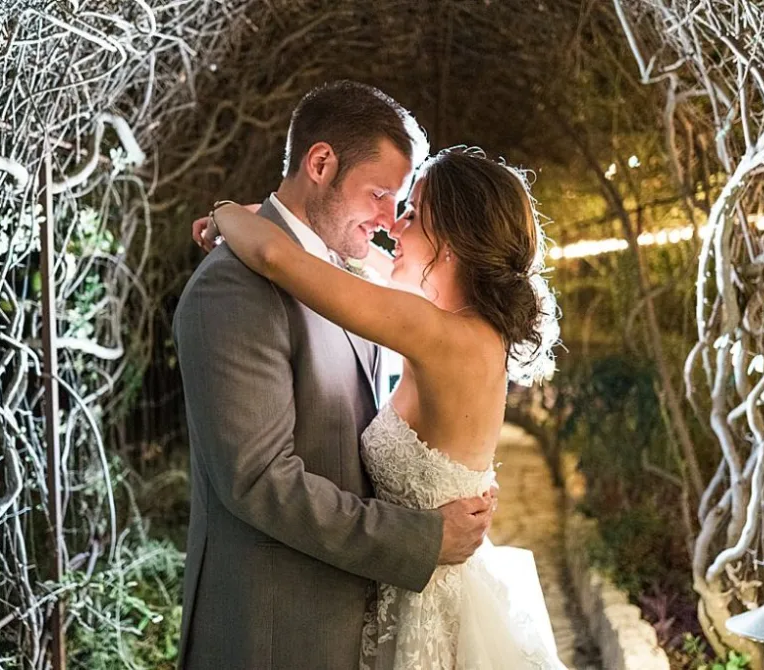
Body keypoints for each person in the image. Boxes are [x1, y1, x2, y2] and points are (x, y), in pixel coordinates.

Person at [172, 81, 495, 670]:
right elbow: (260, 481)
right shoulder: (233, 288)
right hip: (276, 639)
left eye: (402, 205)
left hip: (359, 628)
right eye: (378, 195)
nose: (387, 221)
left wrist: (231, 213)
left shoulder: (351, 278)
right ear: (320, 163)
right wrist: (420, 540)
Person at [201, 145, 564, 669]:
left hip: (425, 609)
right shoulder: (469, 330)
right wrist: (270, 218)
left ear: (455, 240)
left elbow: (281, 260)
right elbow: (352, 258)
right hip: (424, 587)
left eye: (413, 212)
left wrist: (224, 214)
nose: (394, 225)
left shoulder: (432, 330)